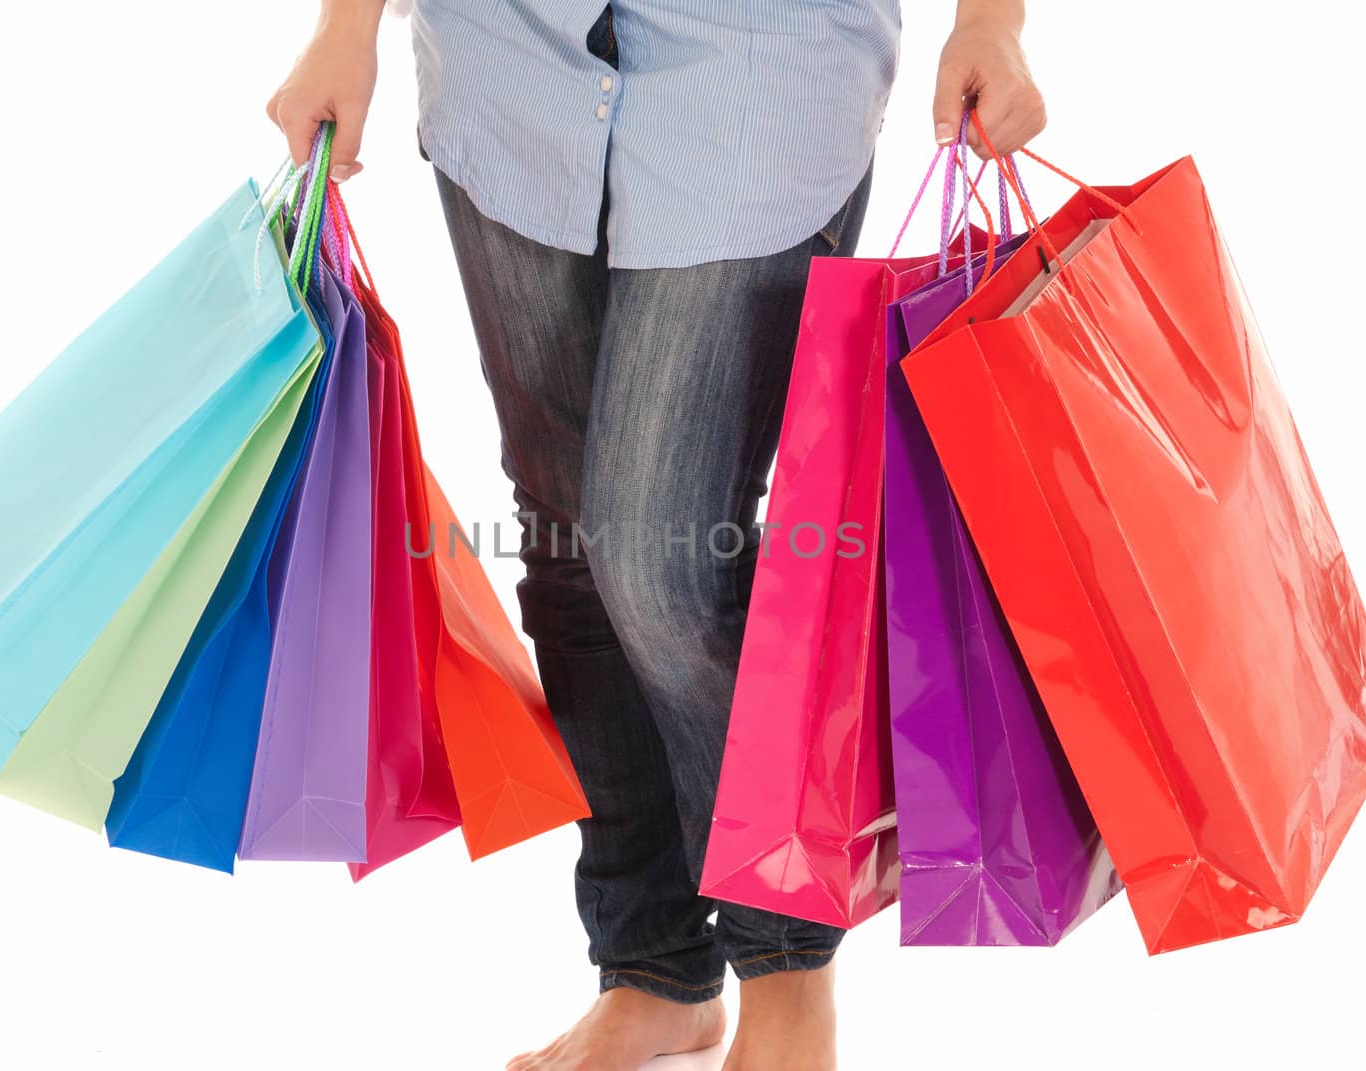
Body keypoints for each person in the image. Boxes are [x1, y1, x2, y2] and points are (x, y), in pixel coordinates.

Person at [268, 2, 1045, 1068]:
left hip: (760, 74)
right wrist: (343, 27)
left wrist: (992, 23)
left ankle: (785, 972)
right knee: (568, 541)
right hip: (507, 70)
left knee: (664, 554)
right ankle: (654, 969)